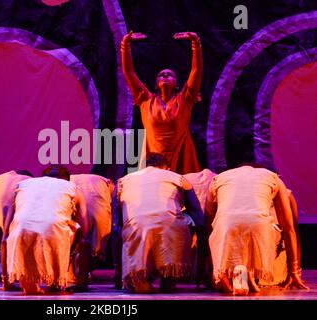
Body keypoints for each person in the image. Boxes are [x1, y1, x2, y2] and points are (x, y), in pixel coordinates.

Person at [206, 164, 309, 295]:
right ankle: (247, 274)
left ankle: (229, 278)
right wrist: (293, 271)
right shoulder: (273, 178)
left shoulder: (218, 179)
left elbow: (208, 222)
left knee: (222, 231)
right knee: (260, 231)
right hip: (259, 225)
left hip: (226, 224)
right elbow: (289, 228)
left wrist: (211, 268)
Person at [116, 153, 203, 293]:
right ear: (167, 169)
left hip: (136, 227)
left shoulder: (123, 181)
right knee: (186, 222)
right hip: (169, 227)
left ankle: (138, 276)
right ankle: (169, 277)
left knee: (126, 229)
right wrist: (202, 237)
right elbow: (196, 211)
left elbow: (118, 216)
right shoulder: (178, 178)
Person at [0, 165, 91, 294]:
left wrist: (6, 282)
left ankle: (27, 282)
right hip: (55, 229)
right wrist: (83, 281)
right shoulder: (72, 188)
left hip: (21, 230)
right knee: (76, 232)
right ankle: (57, 282)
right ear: (67, 180)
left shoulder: (22, 185)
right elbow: (85, 234)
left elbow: (4, 238)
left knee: (18, 232)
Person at [121, 30, 203, 174]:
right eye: (161, 75)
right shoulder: (145, 99)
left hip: (181, 157)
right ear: (155, 84)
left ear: (177, 84)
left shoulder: (185, 99)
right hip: (152, 159)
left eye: (170, 75)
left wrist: (196, 44)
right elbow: (129, 72)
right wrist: (125, 45)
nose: (165, 75)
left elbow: (196, 70)